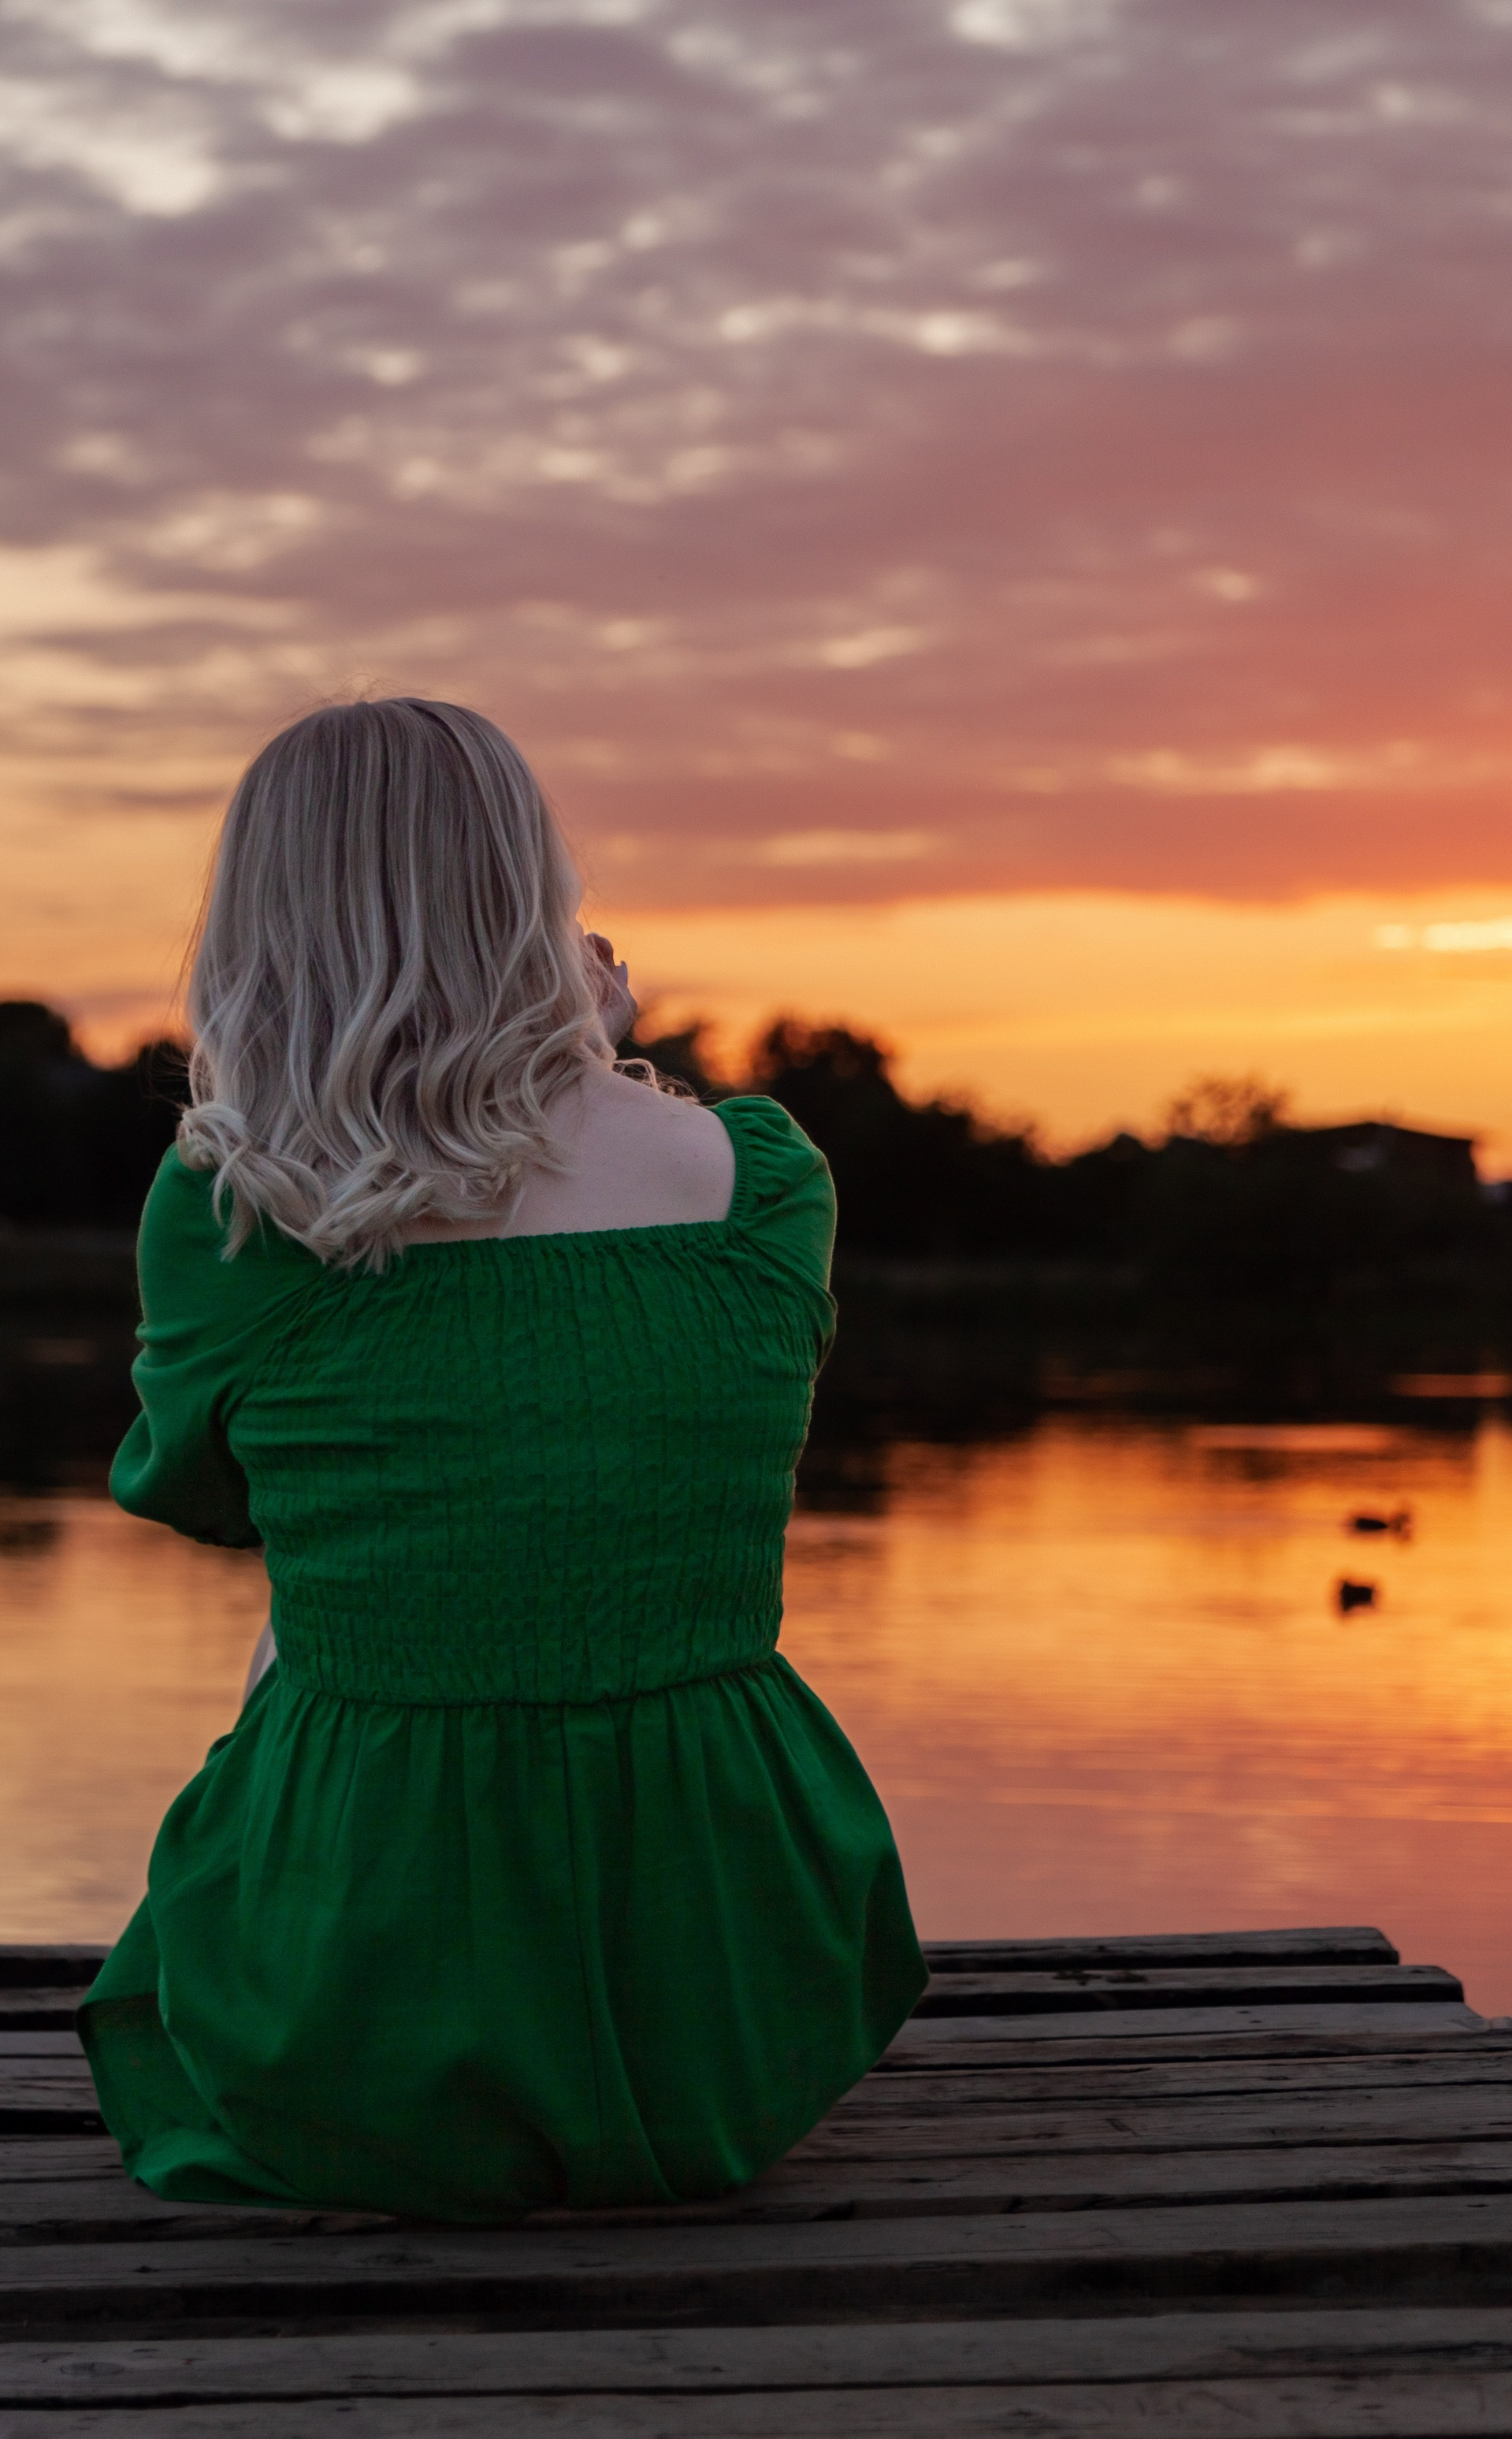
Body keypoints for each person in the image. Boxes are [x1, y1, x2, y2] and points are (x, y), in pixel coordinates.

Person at [78, 695, 926, 2221]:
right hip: (733, 2016)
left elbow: (203, 1499)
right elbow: (626, 1451)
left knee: (317, 1624)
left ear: (263, 926)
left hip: (352, 2031)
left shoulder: (237, 1210)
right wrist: (589, 1061)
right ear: (535, 896)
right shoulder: (760, 1190)